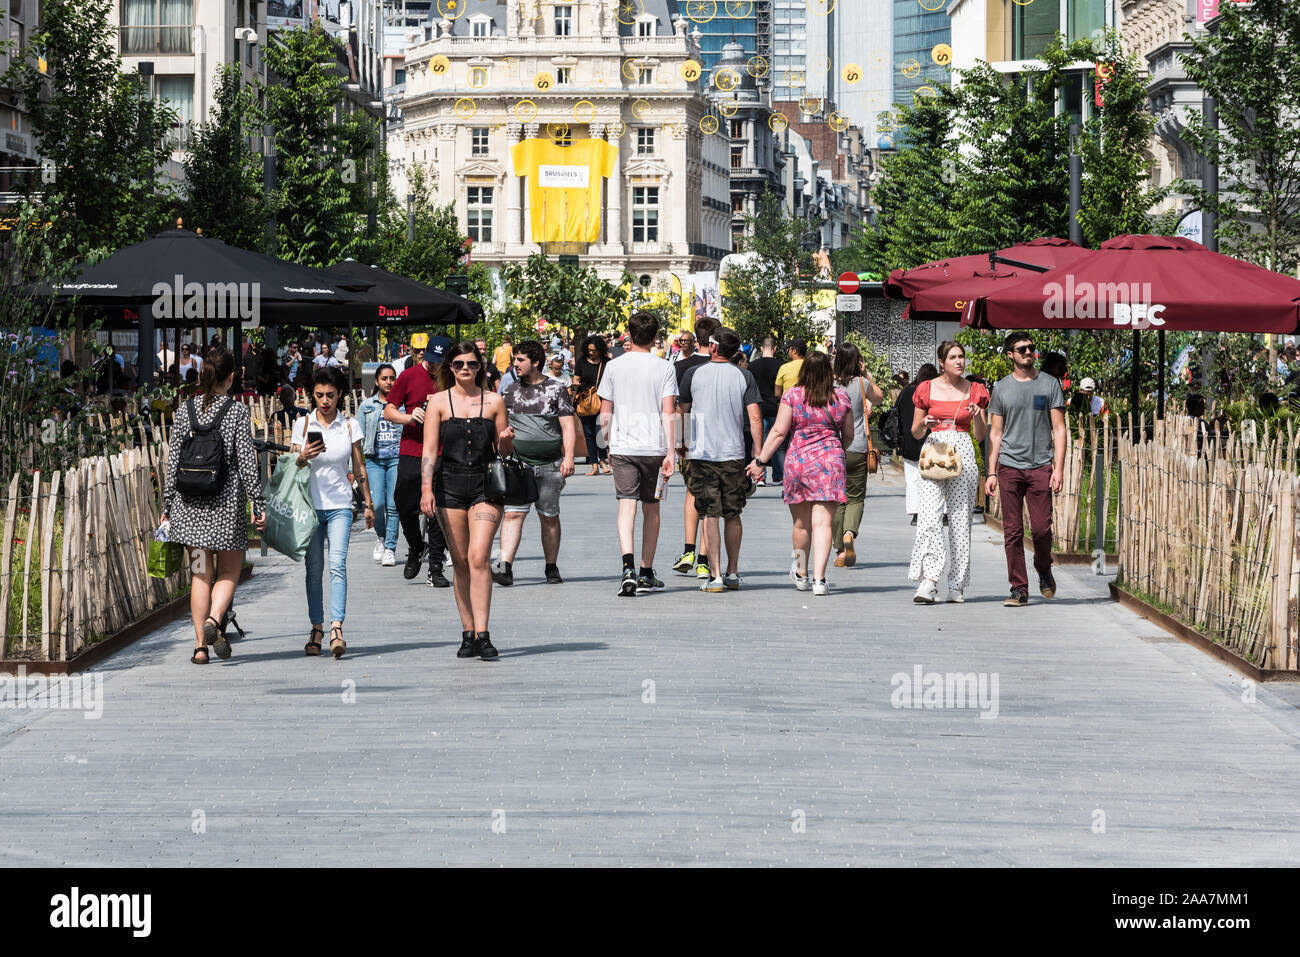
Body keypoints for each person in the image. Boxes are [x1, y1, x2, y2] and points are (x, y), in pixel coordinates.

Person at [162, 347, 266, 664]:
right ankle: (214, 619)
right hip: (225, 505)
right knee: (230, 570)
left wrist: (167, 504)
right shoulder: (235, 413)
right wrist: (258, 504)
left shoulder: (185, 410)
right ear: (232, 377)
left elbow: (173, 461)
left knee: (199, 575)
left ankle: (199, 648)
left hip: (188, 506)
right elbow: (248, 465)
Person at [419, 341, 513, 659]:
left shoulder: (494, 401)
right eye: (459, 364)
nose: (465, 370)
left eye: (471, 364)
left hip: (486, 486)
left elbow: (505, 452)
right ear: (450, 367)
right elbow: (430, 451)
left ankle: (484, 634)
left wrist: (505, 441)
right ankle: (468, 632)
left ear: (480, 366)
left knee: (478, 558)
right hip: (449, 486)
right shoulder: (437, 402)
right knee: (459, 562)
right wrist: (426, 489)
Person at [748, 350, 851, 596]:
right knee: (824, 523)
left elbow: (779, 432)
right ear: (829, 372)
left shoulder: (792, 396)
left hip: (799, 463)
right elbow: (848, 436)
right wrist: (834, 451)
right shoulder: (841, 397)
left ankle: (802, 574)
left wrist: (760, 461)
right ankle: (820, 580)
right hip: (830, 462)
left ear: (803, 372)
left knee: (801, 524)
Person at [291, 366, 375, 657]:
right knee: (313, 571)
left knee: (337, 565)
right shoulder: (302, 425)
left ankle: (337, 627)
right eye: (318, 395)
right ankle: (316, 626)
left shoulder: (350, 426)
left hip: (340, 504)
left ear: (340, 394)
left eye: (330, 395)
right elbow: (291, 467)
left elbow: (358, 465)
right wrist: (303, 456)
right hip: (310, 508)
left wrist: (367, 503)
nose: (324, 401)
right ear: (311, 395)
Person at [597, 310, 678, 597]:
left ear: (628, 335)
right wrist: (672, 451)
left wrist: (606, 444)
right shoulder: (665, 368)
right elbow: (669, 413)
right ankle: (646, 571)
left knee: (626, 506)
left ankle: (627, 567)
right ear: (656, 338)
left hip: (623, 446)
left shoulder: (614, 367)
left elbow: (605, 411)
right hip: (654, 447)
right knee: (652, 508)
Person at [984, 332, 1068, 607]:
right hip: (1009, 466)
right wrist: (992, 471)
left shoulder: (1049, 384)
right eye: (1022, 349)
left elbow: (1059, 428)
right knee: (1012, 531)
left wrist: (1059, 468)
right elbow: (995, 432)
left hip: (1040, 465)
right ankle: (1019, 588)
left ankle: (1043, 567)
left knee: (1042, 529)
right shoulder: (1001, 388)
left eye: (1032, 348)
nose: (1029, 352)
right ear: (1010, 354)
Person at [678, 326, 762, 591]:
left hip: (702, 454)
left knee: (709, 515)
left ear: (713, 347)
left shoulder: (694, 373)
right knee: (733, 514)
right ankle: (733, 572)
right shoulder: (743, 376)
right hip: (733, 454)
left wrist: (682, 442)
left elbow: (683, 411)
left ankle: (714, 576)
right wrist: (758, 456)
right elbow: (755, 417)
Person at [908, 341, 989, 604]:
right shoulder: (926, 389)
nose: (959, 361)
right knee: (929, 517)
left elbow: (981, 435)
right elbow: (915, 431)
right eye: (953, 357)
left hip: (964, 450)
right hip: (934, 449)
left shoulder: (976, 390)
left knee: (960, 520)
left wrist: (977, 415)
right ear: (941, 362)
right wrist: (925, 423)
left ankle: (957, 584)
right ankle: (929, 581)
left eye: (962, 356)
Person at [494, 339, 576, 586]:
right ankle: (505, 567)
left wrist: (569, 457)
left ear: (536, 362)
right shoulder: (508, 392)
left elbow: (567, 425)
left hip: (551, 464)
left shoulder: (556, 389)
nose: (515, 364)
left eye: (520, 360)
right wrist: (503, 440)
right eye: (514, 360)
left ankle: (551, 567)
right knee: (513, 515)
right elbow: (500, 428)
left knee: (549, 516)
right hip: (519, 466)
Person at [385, 334, 451, 588]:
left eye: (438, 361)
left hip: (444, 451)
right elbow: (389, 410)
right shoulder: (409, 376)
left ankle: (435, 568)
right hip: (413, 449)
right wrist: (410, 416)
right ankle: (415, 545)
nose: (432, 365)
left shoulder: (453, 378)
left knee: (437, 510)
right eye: (429, 359)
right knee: (403, 503)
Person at [671, 316, 719, 580]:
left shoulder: (682, 367)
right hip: (720, 440)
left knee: (692, 491)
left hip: (692, 438)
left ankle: (689, 550)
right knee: (711, 498)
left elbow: (680, 409)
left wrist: (678, 440)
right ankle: (703, 560)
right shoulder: (724, 365)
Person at [832, 342, 884, 567]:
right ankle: (849, 534)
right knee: (855, 497)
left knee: (837, 500)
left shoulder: (829, 384)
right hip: (858, 447)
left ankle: (839, 551)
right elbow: (880, 398)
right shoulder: (862, 383)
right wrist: (867, 375)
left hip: (833, 448)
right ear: (857, 361)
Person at [359, 363, 402, 566]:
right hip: (374, 460)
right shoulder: (367, 405)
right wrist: (353, 468)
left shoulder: (401, 405)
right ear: (376, 381)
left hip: (396, 458)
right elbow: (357, 437)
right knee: (378, 504)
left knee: (393, 504)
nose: (389, 382)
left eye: (392, 378)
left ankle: (391, 548)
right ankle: (382, 538)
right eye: (384, 378)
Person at [896, 364, 938, 525]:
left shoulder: (906, 391)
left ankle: (916, 513)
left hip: (909, 441)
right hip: (930, 440)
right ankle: (943, 513)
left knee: (912, 479)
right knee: (937, 477)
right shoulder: (933, 391)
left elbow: (896, 413)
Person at [573, 334, 612, 475]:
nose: (591, 353)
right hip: (585, 402)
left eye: (594, 350)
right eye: (589, 350)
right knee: (589, 434)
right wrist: (575, 383)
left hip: (603, 402)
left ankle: (602, 460)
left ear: (600, 350)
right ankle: (594, 464)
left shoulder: (607, 362)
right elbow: (576, 378)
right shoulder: (581, 362)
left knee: (599, 433)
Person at [747, 337, 782, 486]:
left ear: (761, 348)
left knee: (758, 443)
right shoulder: (781, 366)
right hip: (776, 407)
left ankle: (760, 475)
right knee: (777, 442)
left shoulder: (752, 366)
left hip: (758, 407)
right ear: (774, 348)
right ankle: (779, 475)